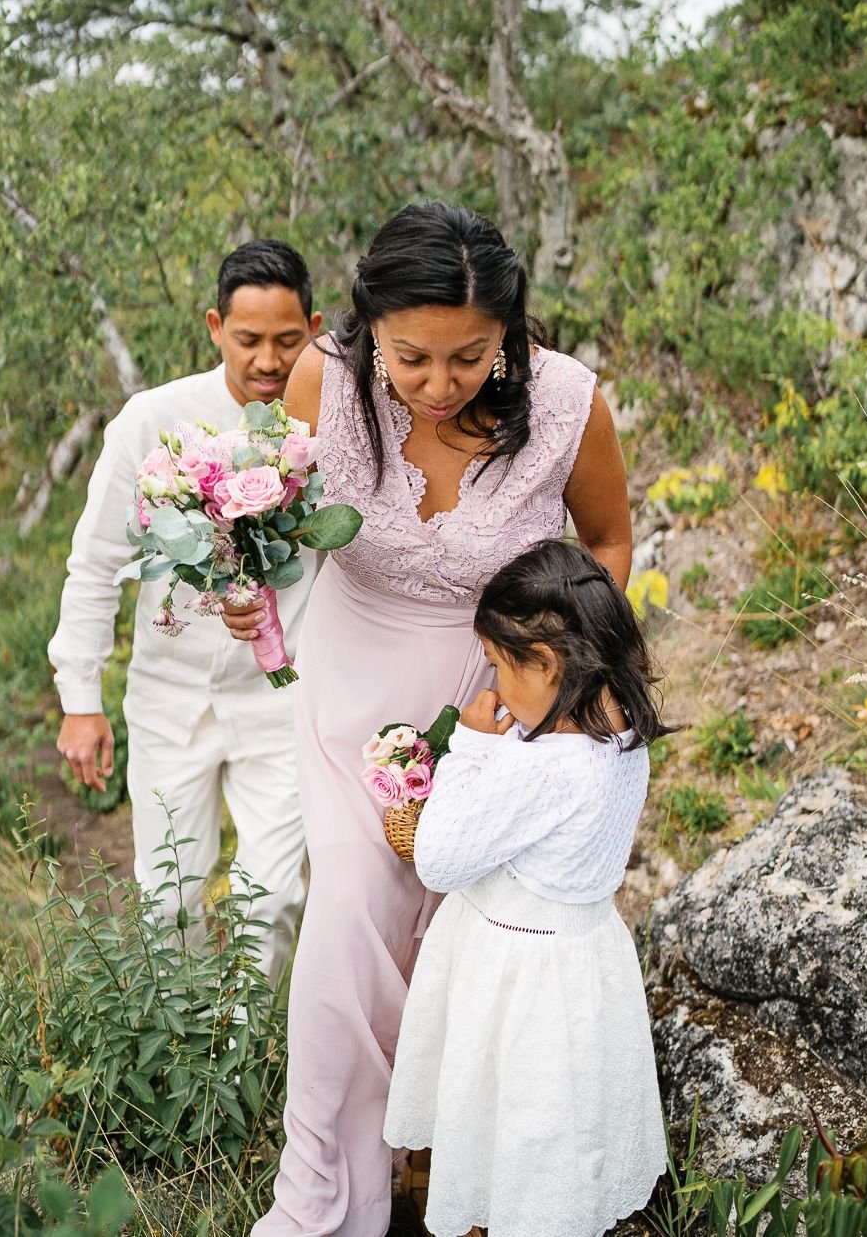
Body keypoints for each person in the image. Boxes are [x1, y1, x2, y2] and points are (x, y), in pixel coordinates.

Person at [220, 201, 633, 1236]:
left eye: (470, 359)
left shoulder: (574, 403)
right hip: (353, 685)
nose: (441, 387)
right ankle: (326, 1200)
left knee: (464, 931)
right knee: (351, 918)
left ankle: (450, 1177)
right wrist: (251, 583)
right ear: (368, 328)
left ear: (511, 334)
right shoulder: (321, 378)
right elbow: (285, 524)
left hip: (497, 696)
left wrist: (562, 683)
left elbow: (611, 544)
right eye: (412, 359)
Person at [48, 240, 322, 984]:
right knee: (171, 899)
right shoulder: (153, 420)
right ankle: (183, 1061)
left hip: (282, 701)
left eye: (288, 341)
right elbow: (97, 560)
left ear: (315, 329)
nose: (268, 359)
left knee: (275, 900)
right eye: (249, 339)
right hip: (169, 697)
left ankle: (240, 1073)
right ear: (213, 327)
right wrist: (80, 699)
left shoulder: (329, 432)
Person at [384, 539, 670, 1237]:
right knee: (551, 1140)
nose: (492, 683)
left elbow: (442, 859)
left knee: (503, 1123)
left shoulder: (544, 768)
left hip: (513, 980)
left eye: (497, 664)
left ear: (546, 665)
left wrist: (472, 748)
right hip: (578, 967)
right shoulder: (621, 741)